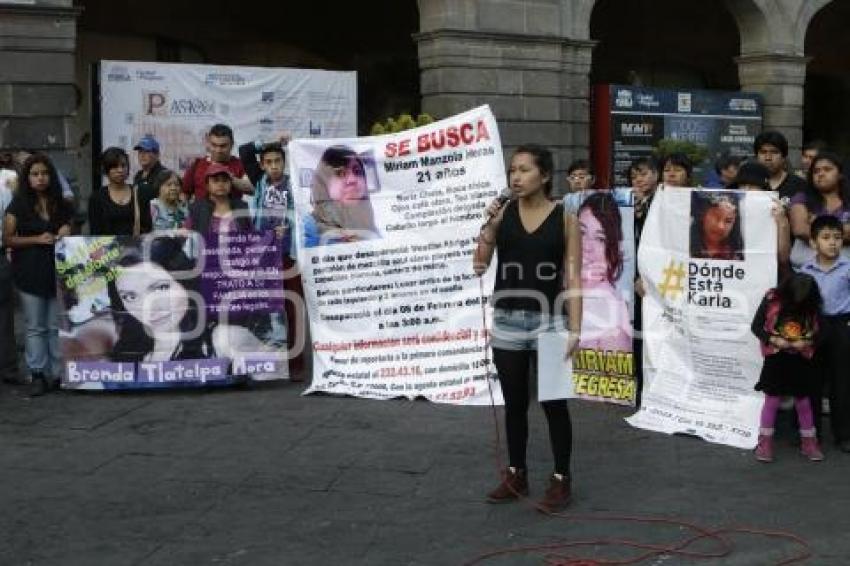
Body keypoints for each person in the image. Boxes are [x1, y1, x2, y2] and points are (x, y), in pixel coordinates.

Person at [473, 143, 582, 513]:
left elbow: (574, 275)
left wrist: (576, 329)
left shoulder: (565, 216)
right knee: (515, 403)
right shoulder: (503, 213)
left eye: (524, 170)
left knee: (553, 403)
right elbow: (479, 262)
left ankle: (561, 479)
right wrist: (489, 222)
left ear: (545, 176)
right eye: (512, 171)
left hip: (550, 321)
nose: (515, 177)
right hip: (506, 319)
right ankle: (517, 472)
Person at [108, 237, 271, 366]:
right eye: (130, 297)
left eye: (161, 288)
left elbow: (271, 375)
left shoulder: (226, 339)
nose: (148, 308)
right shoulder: (127, 350)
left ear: (186, 283)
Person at [3, 153, 74, 395]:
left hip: (58, 272)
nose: (40, 178)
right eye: (35, 174)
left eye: (44, 173)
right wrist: (37, 238)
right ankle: (37, 373)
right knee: (35, 326)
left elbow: (71, 223)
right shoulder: (18, 203)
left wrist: (66, 228)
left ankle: (56, 374)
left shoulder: (60, 202)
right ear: (28, 177)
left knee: (55, 325)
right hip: (29, 271)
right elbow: (8, 238)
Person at [751, 272, 825, 462]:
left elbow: (821, 334)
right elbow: (756, 326)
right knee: (772, 400)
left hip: (800, 359)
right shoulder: (771, 299)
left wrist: (807, 343)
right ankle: (765, 443)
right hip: (776, 358)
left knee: (803, 401)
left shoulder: (812, 307)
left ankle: (809, 442)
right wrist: (773, 339)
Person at [798, 215, 850, 452]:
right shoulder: (805, 271)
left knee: (843, 382)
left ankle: (844, 435)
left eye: (837, 238)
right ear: (813, 243)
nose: (833, 243)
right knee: (812, 381)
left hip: (842, 326)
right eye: (826, 237)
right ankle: (811, 433)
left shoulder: (848, 267)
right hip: (815, 326)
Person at [577, 192, 631, 352]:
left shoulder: (611, 316)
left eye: (600, 239)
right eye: (581, 233)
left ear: (613, 248)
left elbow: (614, 376)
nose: (586, 246)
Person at [303, 146, 380, 247]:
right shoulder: (307, 228)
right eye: (340, 173)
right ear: (322, 183)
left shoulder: (370, 225)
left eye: (357, 172)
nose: (352, 180)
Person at [788, 151, 850, 268]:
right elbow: (800, 230)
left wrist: (816, 223)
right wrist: (842, 229)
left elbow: (807, 230)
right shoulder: (801, 198)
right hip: (805, 271)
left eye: (827, 169)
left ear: (840, 174)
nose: (820, 174)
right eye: (816, 171)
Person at [182, 123, 253, 201]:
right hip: (201, 212)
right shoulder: (197, 164)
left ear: (232, 144)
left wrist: (228, 177)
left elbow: (253, 189)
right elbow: (184, 193)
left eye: (223, 146)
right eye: (214, 145)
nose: (218, 150)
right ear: (208, 143)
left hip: (232, 211)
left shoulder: (239, 164)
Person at [89, 146, 143, 236]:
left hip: (135, 247)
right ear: (106, 169)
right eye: (114, 166)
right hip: (108, 248)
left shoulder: (138, 192)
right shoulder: (97, 197)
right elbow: (95, 232)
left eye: (123, 165)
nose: (120, 170)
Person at [186, 163, 252, 235]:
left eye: (225, 180)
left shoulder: (241, 206)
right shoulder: (196, 209)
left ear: (230, 184)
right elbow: (187, 237)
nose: (221, 184)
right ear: (207, 185)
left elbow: (251, 236)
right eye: (216, 180)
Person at [0, 158, 19, 385]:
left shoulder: (9, 178)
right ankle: (8, 368)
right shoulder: (8, 178)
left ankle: (8, 367)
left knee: (4, 315)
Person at [689, 192, 744, 261]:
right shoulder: (685, 246)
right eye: (716, 217)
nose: (720, 226)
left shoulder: (738, 255)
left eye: (728, 221)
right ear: (703, 215)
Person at [754, 131, 807, 201]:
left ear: (783, 157)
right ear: (756, 156)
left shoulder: (799, 185)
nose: (768, 158)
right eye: (763, 152)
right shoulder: (748, 184)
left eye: (774, 152)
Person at [132, 135, 165, 233]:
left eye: (147, 151)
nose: (142, 155)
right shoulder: (138, 176)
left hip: (158, 229)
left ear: (157, 154)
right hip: (140, 229)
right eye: (140, 152)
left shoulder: (164, 175)